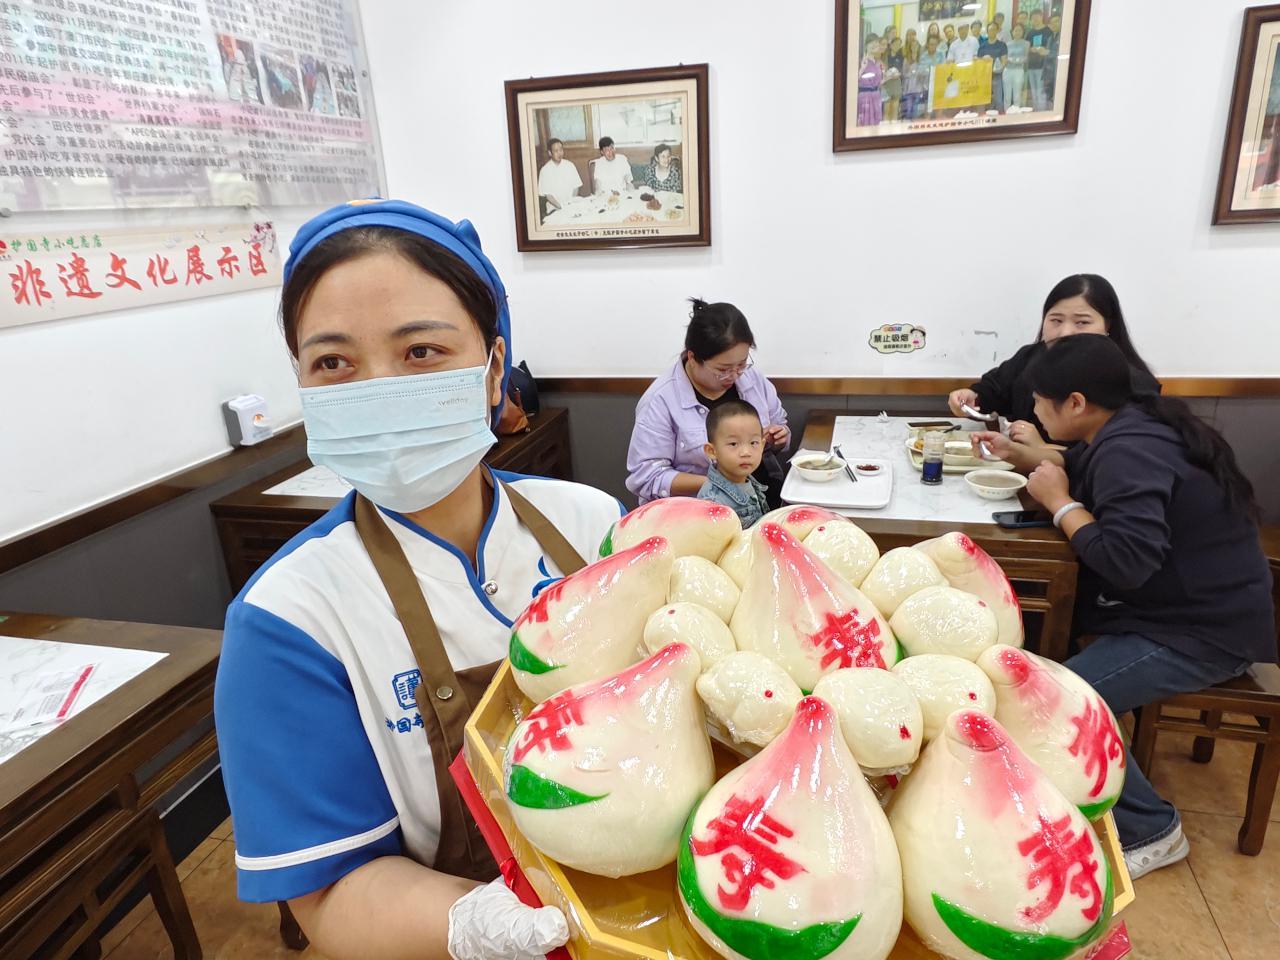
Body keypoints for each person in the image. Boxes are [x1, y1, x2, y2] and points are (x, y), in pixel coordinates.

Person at [214, 199, 626, 960]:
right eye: (333, 361)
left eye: (421, 351)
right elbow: (334, 891)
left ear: (494, 368)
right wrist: (481, 925)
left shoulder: (594, 523)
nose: (377, 387)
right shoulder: (288, 620)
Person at [971, 334, 1275, 879]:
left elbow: (1126, 561)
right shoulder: (1132, 426)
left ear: (1077, 403)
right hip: (1176, 611)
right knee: (1044, 665)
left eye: (1041, 400)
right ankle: (1070, 791)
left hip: (1204, 631)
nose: (1035, 410)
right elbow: (1090, 480)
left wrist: (1060, 502)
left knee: (1059, 697)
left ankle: (1153, 829)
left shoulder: (1131, 449)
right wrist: (1040, 467)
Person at [948, 274, 1160, 441]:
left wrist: (1042, 449)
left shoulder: (1132, 383)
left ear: (1108, 326)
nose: (1065, 332)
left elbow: (1115, 452)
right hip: (1020, 473)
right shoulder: (1032, 357)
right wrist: (970, 396)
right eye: (1056, 320)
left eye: (1082, 322)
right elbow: (994, 390)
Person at [627, 298, 790, 505]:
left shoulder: (751, 378)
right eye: (722, 370)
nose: (734, 375)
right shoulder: (660, 400)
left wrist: (778, 438)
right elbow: (647, 477)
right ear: (693, 358)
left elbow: (779, 422)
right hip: (697, 511)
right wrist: (718, 483)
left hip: (760, 497)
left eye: (741, 364)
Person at [697, 399, 770, 528]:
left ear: (762, 445)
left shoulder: (748, 480)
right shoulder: (713, 501)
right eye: (733, 444)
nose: (746, 452)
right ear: (712, 451)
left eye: (753, 443)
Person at [536, 138, 582, 212]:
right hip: (555, 208)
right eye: (556, 151)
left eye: (561, 150)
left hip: (571, 205)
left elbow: (576, 187)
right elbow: (548, 195)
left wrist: (571, 202)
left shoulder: (570, 165)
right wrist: (561, 207)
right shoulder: (545, 170)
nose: (559, 153)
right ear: (550, 153)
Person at [977, 20, 1008, 113]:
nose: (992, 31)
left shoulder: (1002, 45)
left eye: (994, 29)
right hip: (984, 77)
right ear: (987, 31)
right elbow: (978, 62)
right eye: (990, 30)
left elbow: (1004, 61)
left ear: (997, 31)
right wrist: (983, 59)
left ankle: (1001, 122)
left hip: (997, 76)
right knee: (983, 100)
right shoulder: (982, 46)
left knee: (998, 100)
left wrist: (992, 60)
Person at [1025, 10, 1052, 110]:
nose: (1035, 19)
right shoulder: (1030, 33)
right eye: (1033, 17)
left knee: (1041, 91)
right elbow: (1026, 48)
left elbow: (1051, 48)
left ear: (1041, 17)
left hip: (1043, 66)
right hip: (1031, 65)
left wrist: (1044, 50)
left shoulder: (1048, 31)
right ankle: (1036, 111)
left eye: (1037, 16)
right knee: (1034, 91)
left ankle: (1042, 114)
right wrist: (1030, 49)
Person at [856, 38, 885, 126]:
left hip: (876, 96)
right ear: (866, 46)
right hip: (865, 97)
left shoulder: (878, 62)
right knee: (865, 124)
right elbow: (852, 81)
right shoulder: (860, 60)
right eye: (871, 43)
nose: (874, 45)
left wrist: (887, 77)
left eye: (876, 44)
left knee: (875, 124)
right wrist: (862, 68)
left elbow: (879, 83)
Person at [1004, 23, 1030, 111]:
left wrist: (1017, 61)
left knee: (1017, 95)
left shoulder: (1026, 43)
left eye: (1020, 30)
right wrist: (1008, 60)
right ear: (1012, 32)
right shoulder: (1007, 44)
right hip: (1007, 70)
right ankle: (1006, 115)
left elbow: (1026, 58)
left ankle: (1016, 114)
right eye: (1015, 30)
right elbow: (1005, 58)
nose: (1017, 32)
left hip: (1019, 71)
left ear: (1023, 32)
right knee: (1007, 95)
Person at [901, 37, 929, 120]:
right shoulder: (906, 59)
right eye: (912, 46)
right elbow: (903, 73)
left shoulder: (922, 59)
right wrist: (911, 73)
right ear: (910, 47)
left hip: (918, 88)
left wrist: (920, 73)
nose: (914, 47)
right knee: (909, 110)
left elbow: (926, 72)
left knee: (916, 110)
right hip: (908, 88)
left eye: (916, 46)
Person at [883, 37, 905, 122]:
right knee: (886, 109)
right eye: (895, 44)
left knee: (895, 110)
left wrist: (899, 74)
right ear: (891, 45)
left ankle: (894, 129)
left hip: (896, 84)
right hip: (886, 84)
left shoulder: (901, 57)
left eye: (899, 44)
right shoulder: (885, 56)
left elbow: (903, 71)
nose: (897, 46)